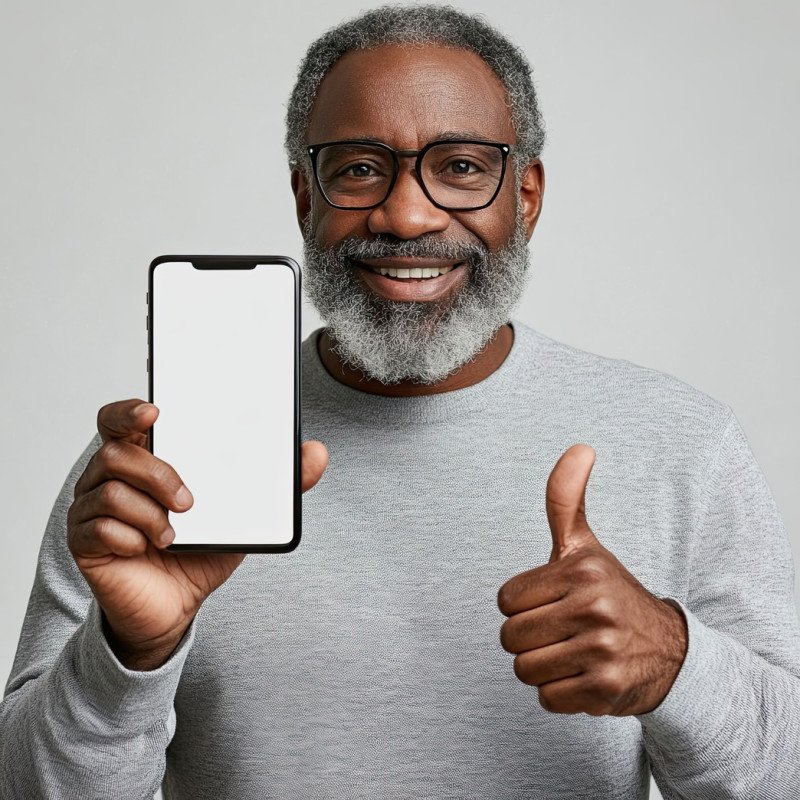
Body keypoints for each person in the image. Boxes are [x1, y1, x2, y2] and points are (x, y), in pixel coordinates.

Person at [2, 5, 799, 798]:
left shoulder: (681, 443)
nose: (407, 216)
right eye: (358, 168)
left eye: (461, 167)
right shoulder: (154, 473)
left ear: (525, 197)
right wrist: (126, 654)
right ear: (304, 198)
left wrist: (676, 663)